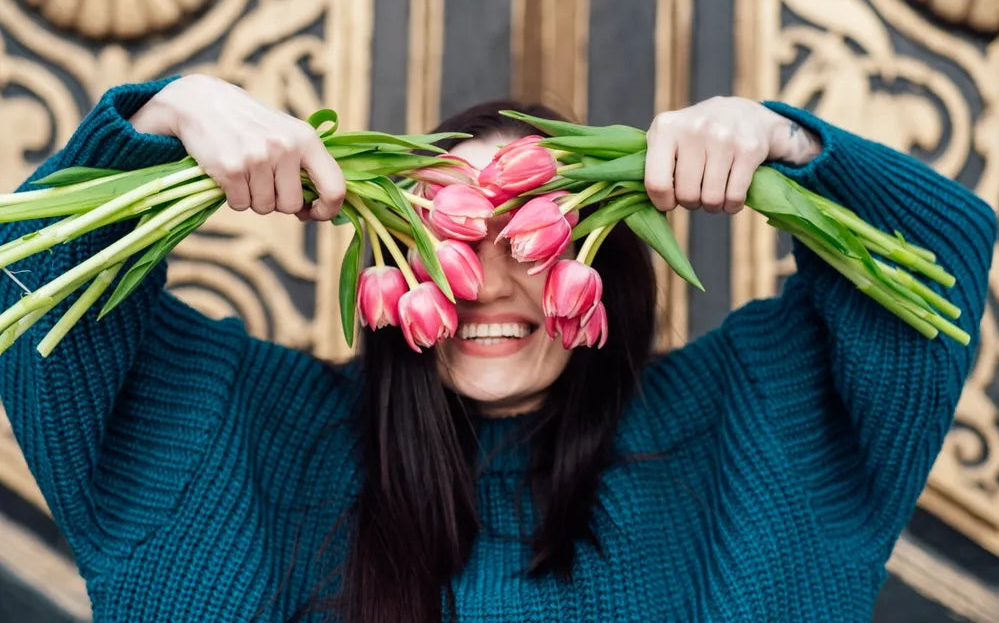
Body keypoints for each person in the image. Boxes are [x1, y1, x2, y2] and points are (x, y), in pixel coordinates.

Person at [0, 73, 993, 623]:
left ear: (606, 263)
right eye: (446, 228)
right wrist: (171, 117)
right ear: (390, 254)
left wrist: (785, 146)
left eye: (534, 231)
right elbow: (33, 295)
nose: (487, 275)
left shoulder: (758, 429)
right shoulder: (239, 434)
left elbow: (935, 277)